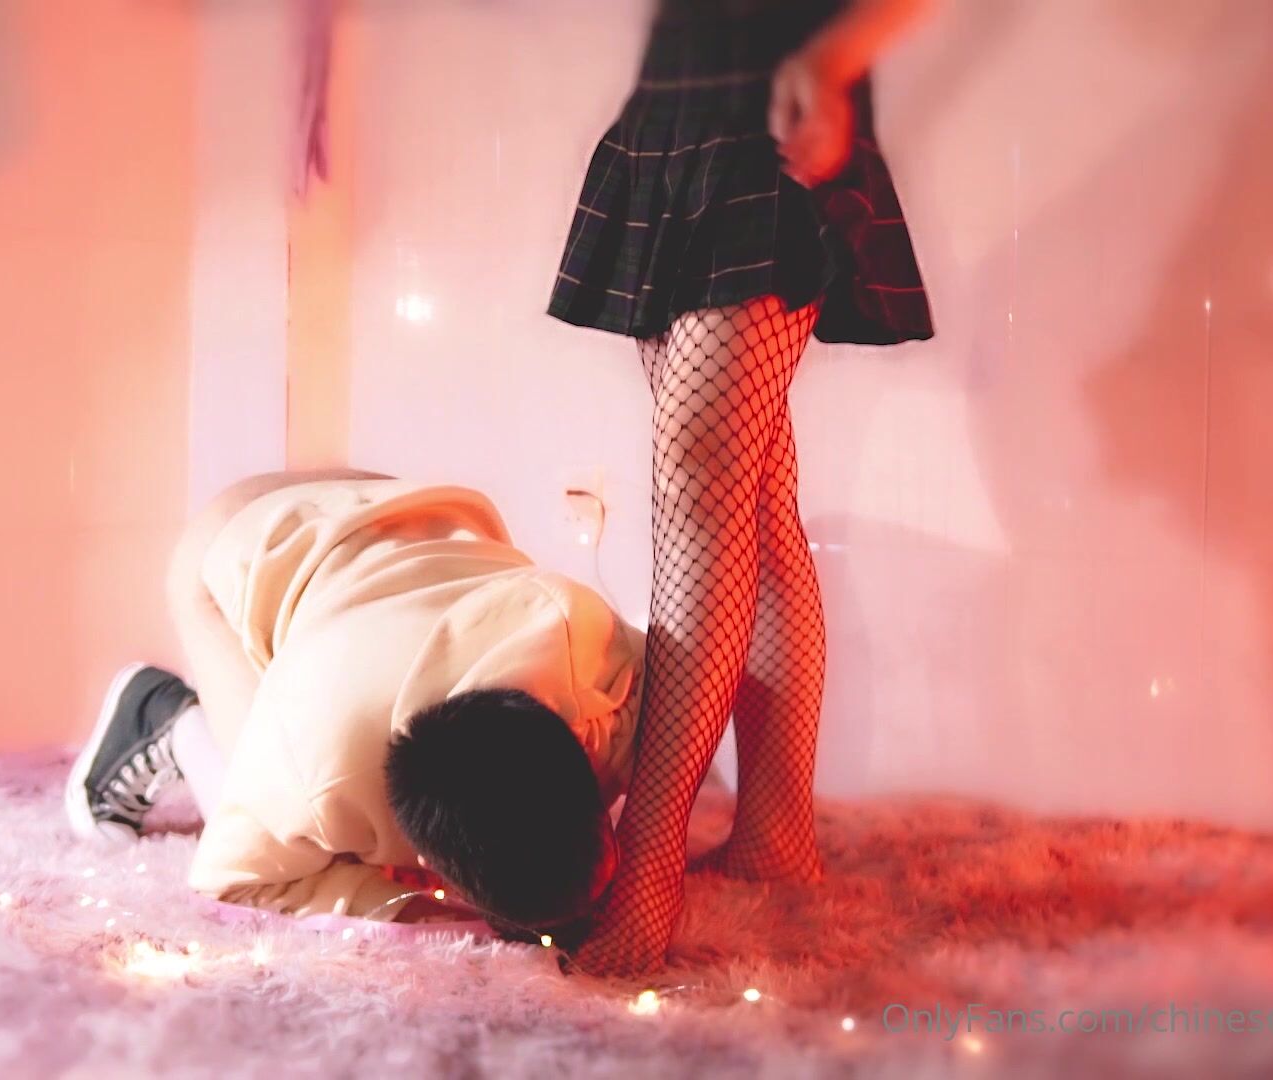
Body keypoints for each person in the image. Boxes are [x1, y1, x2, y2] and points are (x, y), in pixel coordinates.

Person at [546, 0, 936, 973]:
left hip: (776, 97)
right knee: (749, 493)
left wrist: (838, 56)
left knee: (701, 473)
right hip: (678, 98)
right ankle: (773, 835)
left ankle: (649, 865)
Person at [63, 470, 640, 938]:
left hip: (385, 508)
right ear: (435, 867)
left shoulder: (581, 638)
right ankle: (163, 712)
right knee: (253, 795)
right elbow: (232, 882)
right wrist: (409, 907)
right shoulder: (308, 768)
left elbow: (699, 684)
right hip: (230, 545)